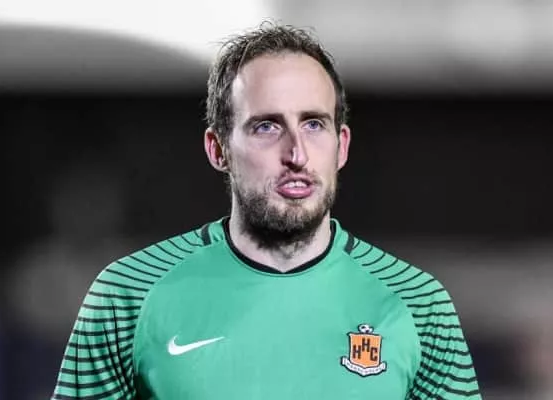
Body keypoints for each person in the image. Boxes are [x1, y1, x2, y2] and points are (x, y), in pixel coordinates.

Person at [52, 22, 481, 399]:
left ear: (342, 146)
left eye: (314, 124)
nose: (297, 153)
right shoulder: (127, 294)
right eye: (266, 126)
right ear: (218, 149)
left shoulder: (420, 303)